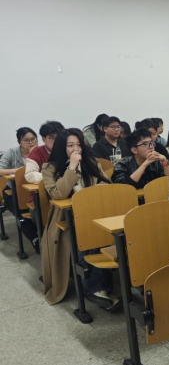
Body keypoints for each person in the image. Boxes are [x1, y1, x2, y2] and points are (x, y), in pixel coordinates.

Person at [41, 129, 118, 309]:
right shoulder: (49, 168)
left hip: (96, 213)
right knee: (88, 238)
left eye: (78, 144)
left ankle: (99, 284)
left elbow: (107, 185)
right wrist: (72, 168)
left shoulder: (92, 163)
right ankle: (94, 287)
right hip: (67, 218)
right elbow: (58, 194)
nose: (76, 149)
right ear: (61, 148)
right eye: (70, 145)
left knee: (103, 235)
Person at [0, 127, 40, 252]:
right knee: (21, 214)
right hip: (13, 192)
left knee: (42, 210)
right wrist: (18, 171)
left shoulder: (40, 151)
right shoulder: (11, 152)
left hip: (35, 190)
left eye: (33, 139)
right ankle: (36, 240)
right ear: (19, 142)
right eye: (26, 140)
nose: (31, 142)